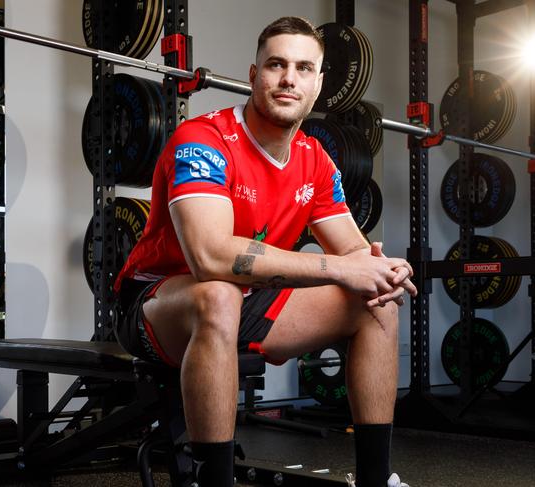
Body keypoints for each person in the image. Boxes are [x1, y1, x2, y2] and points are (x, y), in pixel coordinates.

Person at [114, 16, 417, 487]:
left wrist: (382, 269)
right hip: (159, 302)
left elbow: (355, 252)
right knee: (217, 294)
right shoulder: (203, 139)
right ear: (254, 76)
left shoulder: (315, 160)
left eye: (302, 68)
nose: (288, 78)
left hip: (249, 296)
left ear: (318, 83)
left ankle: (376, 479)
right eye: (276, 65)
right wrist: (340, 268)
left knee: (376, 302)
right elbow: (210, 258)